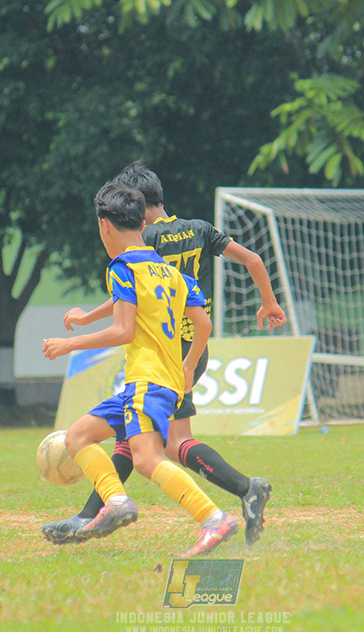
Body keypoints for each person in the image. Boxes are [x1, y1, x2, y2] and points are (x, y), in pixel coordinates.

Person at [42, 161, 286, 547]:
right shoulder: (186, 253)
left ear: (112, 223)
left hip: (152, 369)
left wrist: (74, 337)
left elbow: (125, 319)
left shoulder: (131, 256)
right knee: (104, 437)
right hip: (179, 361)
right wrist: (189, 365)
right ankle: (107, 506)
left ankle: (214, 513)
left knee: (151, 453)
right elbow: (208, 314)